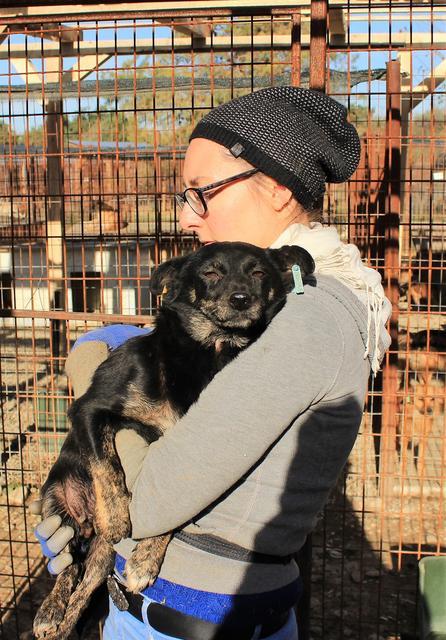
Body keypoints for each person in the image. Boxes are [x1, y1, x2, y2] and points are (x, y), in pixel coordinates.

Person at [32, 86, 392, 640]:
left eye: (202, 192)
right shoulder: (291, 303)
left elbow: (149, 504)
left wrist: (94, 376)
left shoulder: (310, 321)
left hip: (194, 621)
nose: (187, 217)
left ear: (274, 189)